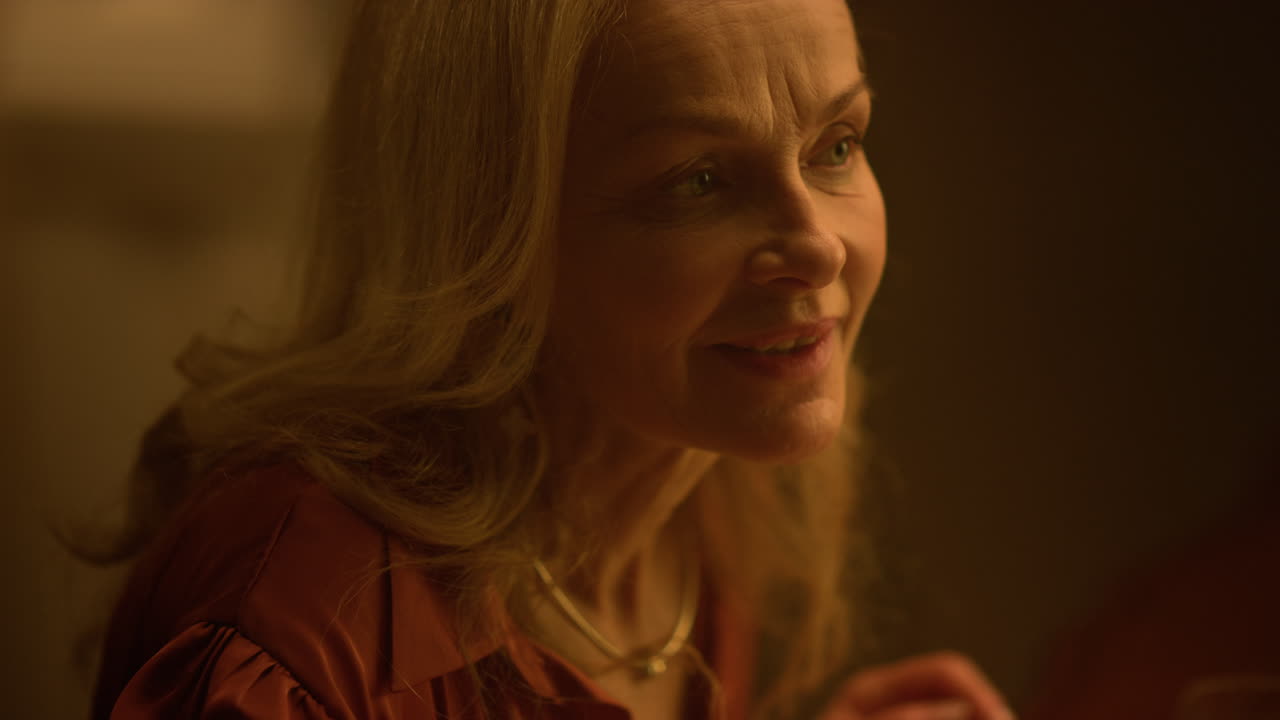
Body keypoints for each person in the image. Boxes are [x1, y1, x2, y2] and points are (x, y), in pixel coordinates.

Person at [87, 0, 1016, 718]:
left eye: (837, 146)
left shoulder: (699, 492)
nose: (818, 246)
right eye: (699, 179)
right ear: (492, 237)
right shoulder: (298, 631)